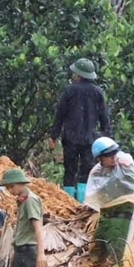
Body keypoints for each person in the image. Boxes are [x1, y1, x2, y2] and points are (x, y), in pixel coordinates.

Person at [48, 58, 111, 204]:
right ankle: (82, 203)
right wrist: (106, 139)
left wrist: (53, 136)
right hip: (90, 141)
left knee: (69, 171)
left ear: (79, 75)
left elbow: (60, 115)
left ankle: (68, 202)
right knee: (86, 171)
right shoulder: (97, 92)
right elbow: (104, 118)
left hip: (70, 139)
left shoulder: (70, 90)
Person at [85, 137, 134, 267]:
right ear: (100, 158)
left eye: (114, 153)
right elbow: (96, 192)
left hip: (122, 215)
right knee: (96, 250)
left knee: (118, 252)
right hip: (106, 215)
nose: (113, 157)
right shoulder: (98, 172)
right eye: (108, 155)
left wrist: (128, 167)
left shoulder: (124, 166)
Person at [0, 168, 44, 267]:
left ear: (20, 184)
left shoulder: (30, 200)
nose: (10, 190)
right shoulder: (23, 201)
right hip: (21, 250)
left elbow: (38, 228)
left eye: (11, 187)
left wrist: (41, 254)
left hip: (28, 250)